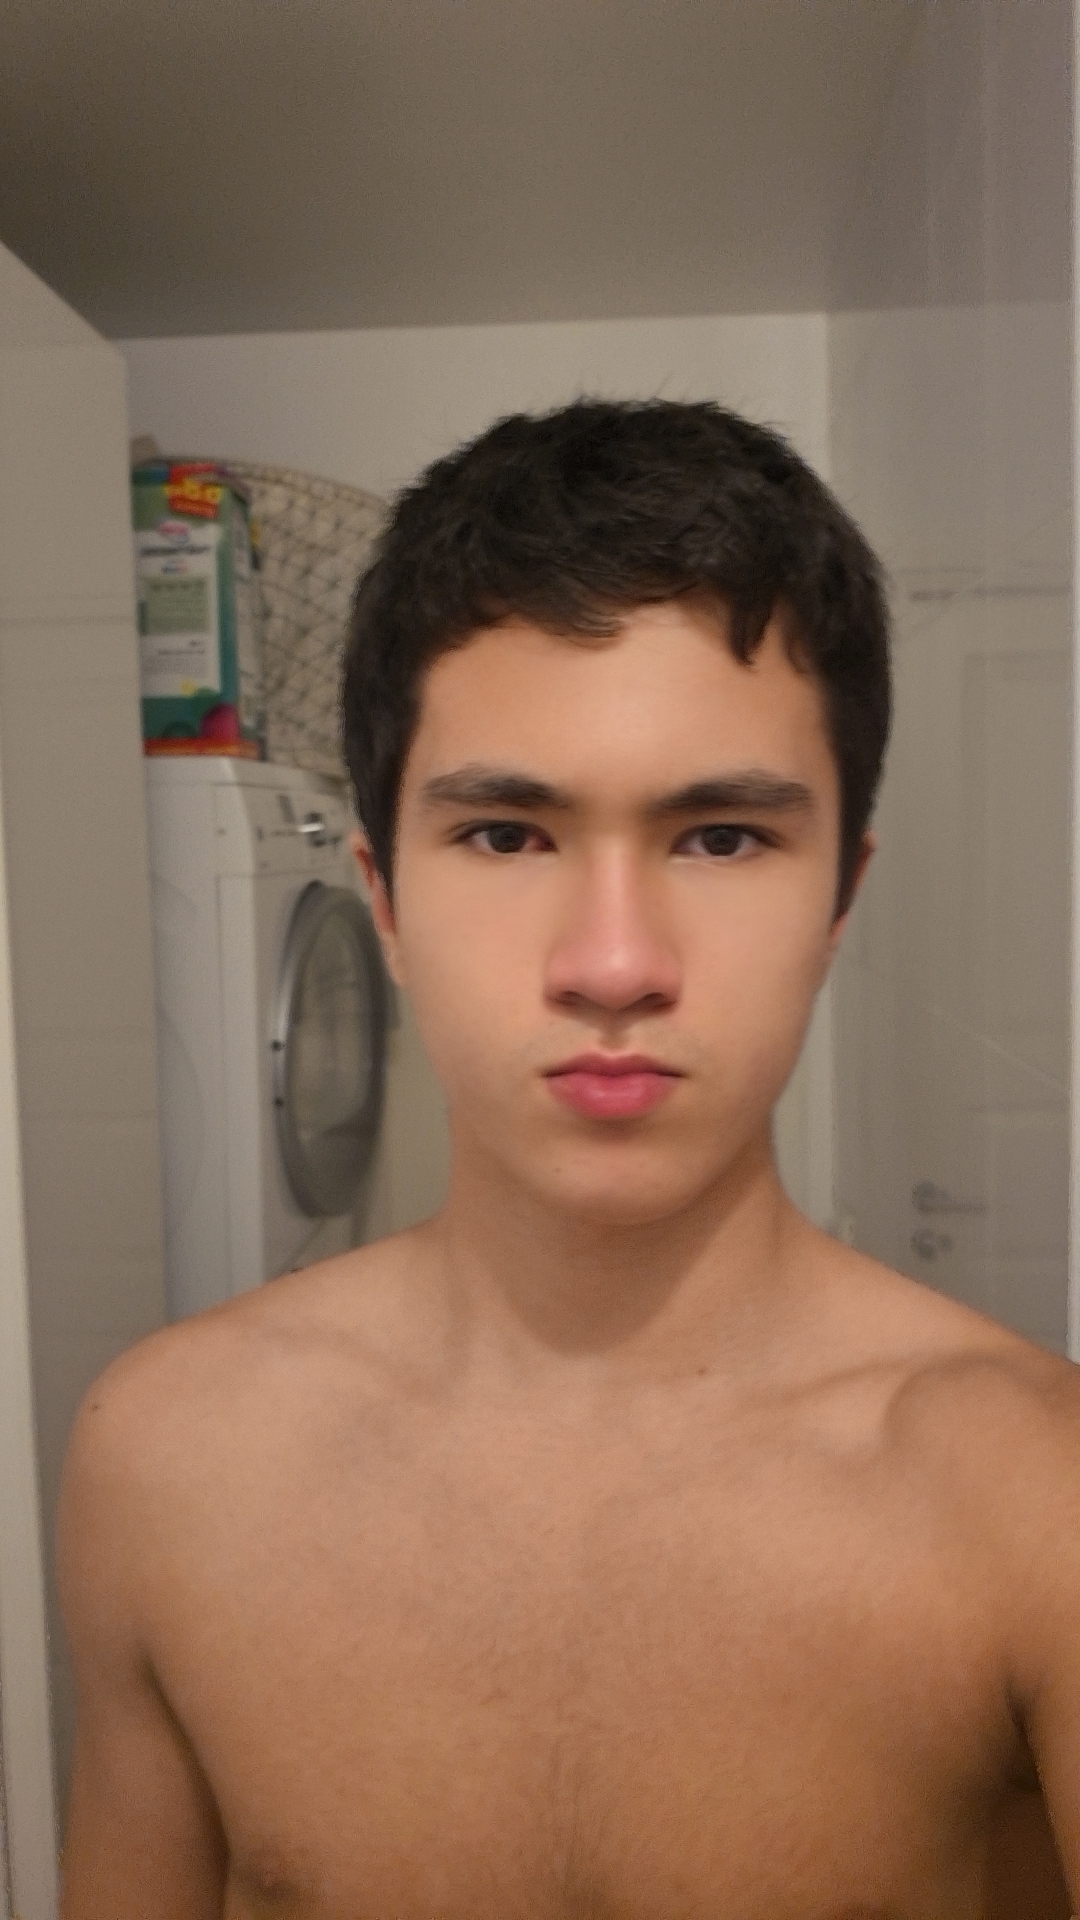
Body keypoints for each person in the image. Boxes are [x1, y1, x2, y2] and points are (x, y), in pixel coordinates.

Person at [57, 399, 1079, 1919]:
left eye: (721, 837)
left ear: (839, 899)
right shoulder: (166, 1462)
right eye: (507, 835)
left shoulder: (1035, 1500)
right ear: (384, 898)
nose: (614, 964)